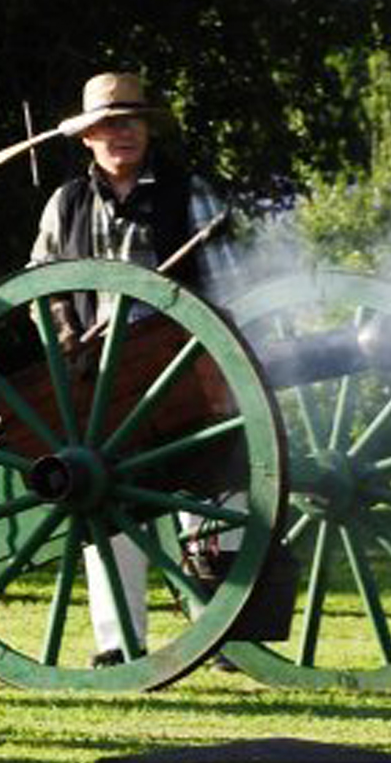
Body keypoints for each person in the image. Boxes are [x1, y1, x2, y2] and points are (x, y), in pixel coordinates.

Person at [27, 71, 239, 667]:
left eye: (130, 121)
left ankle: (220, 631)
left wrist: (227, 365)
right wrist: (66, 337)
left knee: (213, 494)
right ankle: (120, 640)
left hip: (184, 372)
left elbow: (230, 288)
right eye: (106, 125)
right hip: (100, 385)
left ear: (148, 128)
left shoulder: (188, 192)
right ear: (87, 137)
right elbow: (42, 288)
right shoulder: (65, 202)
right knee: (104, 508)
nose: (119, 133)